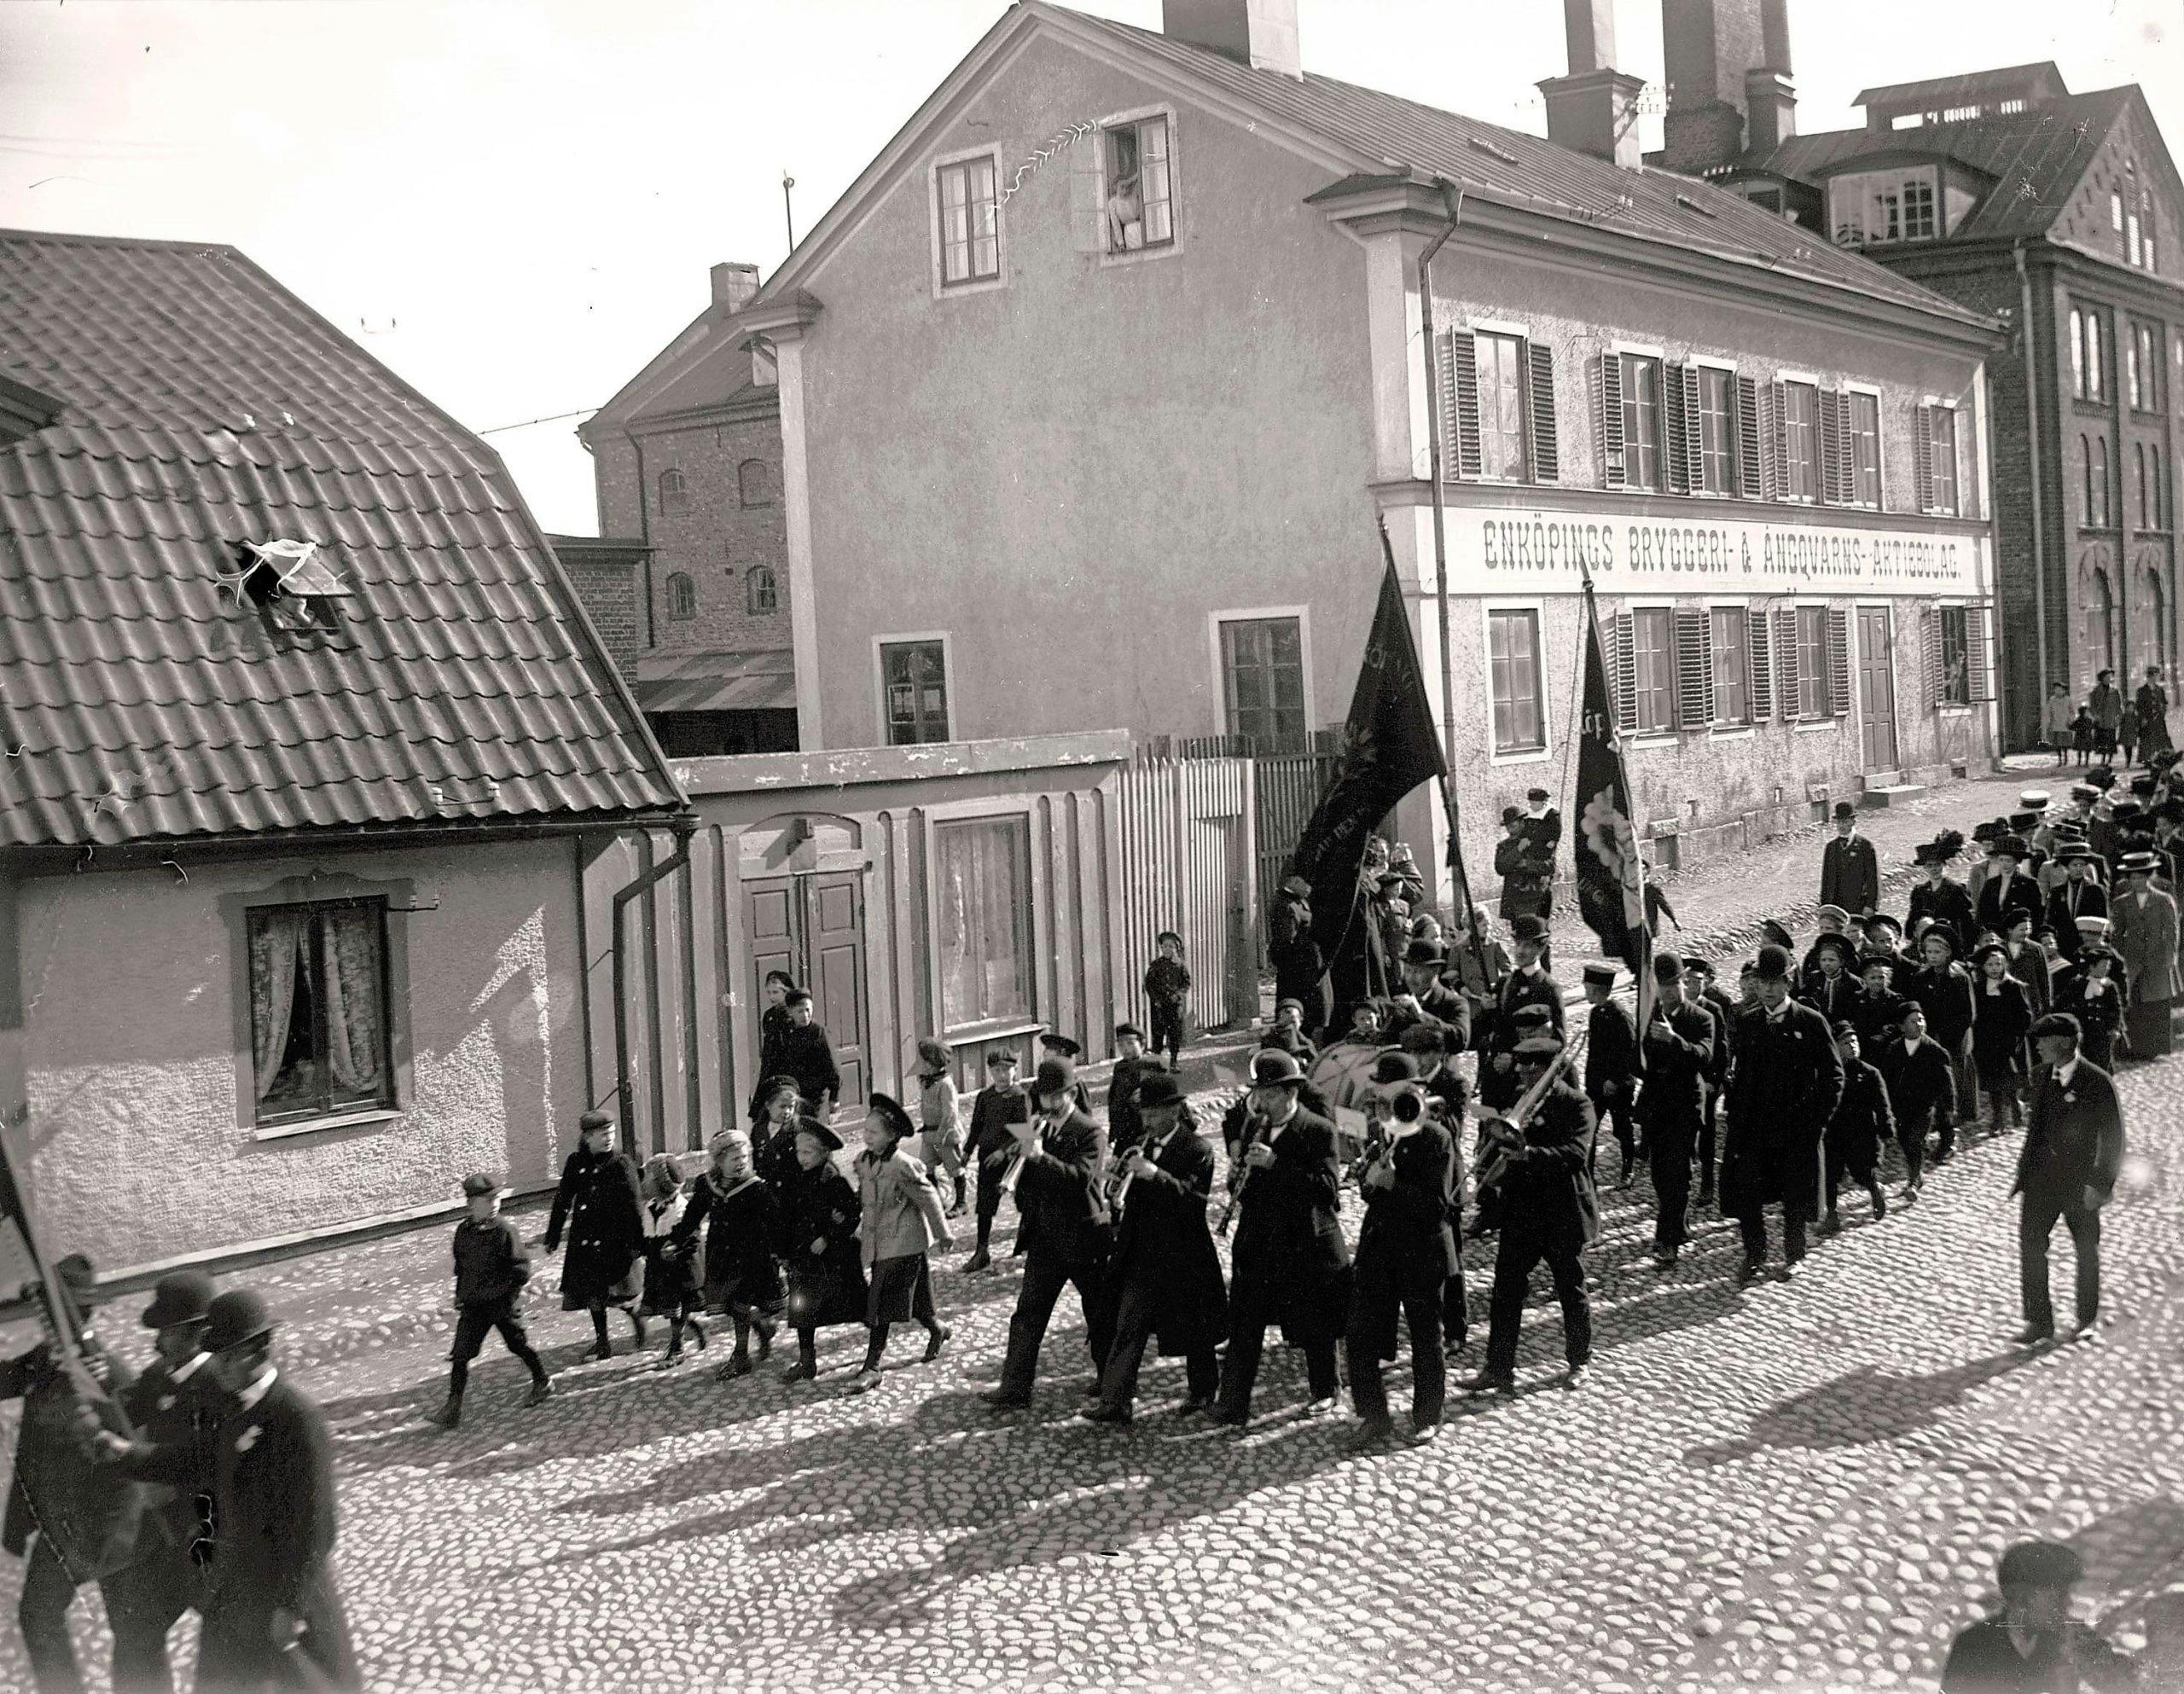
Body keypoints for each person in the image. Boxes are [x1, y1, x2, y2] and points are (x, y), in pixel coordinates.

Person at [106, 1289, 361, 1694]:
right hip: (235, 1585)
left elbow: (317, 1526)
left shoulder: (295, 1418)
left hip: (286, 1591)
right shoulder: (230, 1406)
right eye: (215, 1355)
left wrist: (290, 1607)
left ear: (259, 1352)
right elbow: (196, 1461)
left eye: (227, 1357)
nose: (219, 1368)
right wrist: (128, 1456)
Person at [2, 1254, 160, 1694]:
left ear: (78, 1315)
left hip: (111, 1528)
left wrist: (107, 1392)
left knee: (131, 1635)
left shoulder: (109, 1372)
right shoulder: (41, 1362)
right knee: (36, 1615)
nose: (43, 1322)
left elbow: (137, 1448)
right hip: (62, 1526)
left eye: (50, 1313)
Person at [1210, 1048, 1350, 1427]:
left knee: (1314, 1322)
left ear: (1291, 1094)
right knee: (1245, 1323)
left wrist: (1276, 1165)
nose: (1263, 1103)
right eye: (1260, 1095)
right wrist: (1238, 1176)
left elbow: (1327, 1191)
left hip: (1304, 1240)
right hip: (1259, 1240)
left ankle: (1326, 1390)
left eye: (1270, 1095)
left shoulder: (1319, 1129)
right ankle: (1233, 1402)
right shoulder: (1254, 1127)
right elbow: (1251, 1186)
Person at [1083, 1072, 1226, 1424]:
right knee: (1127, 1323)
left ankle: (1203, 1391)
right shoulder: (1141, 1143)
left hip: (1182, 1251)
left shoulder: (1198, 1149)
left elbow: (1193, 1202)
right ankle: (1116, 1401)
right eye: (1143, 1114)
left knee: (1195, 1326)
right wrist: (1114, 1180)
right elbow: (1125, 1198)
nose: (1146, 1121)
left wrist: (1154, 1174)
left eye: (1153, 1114)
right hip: (1141, 1251)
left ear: (1174, 1111)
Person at [1465, 1035, 1598, 1394]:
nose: (1522, 1071)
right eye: (1521, 1065)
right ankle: (1498, 1368)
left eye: (1531, 1066)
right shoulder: (1517, 1101)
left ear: (1552, 1070)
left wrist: (1529, 1154)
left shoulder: (1578, 1104)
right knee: (1505, 1290)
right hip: (1521, 1210)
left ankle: (1579, 1361)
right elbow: (1501, 1144)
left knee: (1570, 1288)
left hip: (1561, 1210)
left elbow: (1575, 1154)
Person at [113, 1272, 224, 1694]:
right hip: (167, 1536)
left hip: (209, 1537)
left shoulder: (217, 1382)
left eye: (164, 1331)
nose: (156, 1341)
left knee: (231, 1642)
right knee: (136, 1632)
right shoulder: (160, 1375)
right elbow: (121, 1408)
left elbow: (212, 1464)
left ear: (192, 1332)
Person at [985, 1059, 1115, 1411]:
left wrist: (1040, 1158)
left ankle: (1110, 1384)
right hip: (1045, 1237)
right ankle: (1014, 1388)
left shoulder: (1090, 1131)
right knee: (1028, 1313)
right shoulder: (1034, 1126)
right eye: (1043, 1095)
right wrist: (1020, 1165)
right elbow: (1028, 1181)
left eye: (1055, 1095)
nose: (1047, 1102)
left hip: (1083, 1236)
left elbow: (1081, 1179)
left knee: (1099, 1312)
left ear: (1071, 1094)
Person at [1344, 1056, 1457, 1449]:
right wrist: (1370, 1179)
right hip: (1380, 1248)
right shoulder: (1384, 1132)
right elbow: (1371, 1190)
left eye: (1387, 1093)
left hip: (1422, 1251)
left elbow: (1439, 1206)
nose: (1380, 1101)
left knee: (1426, 1336)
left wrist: (1391, 1184)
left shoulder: (1436, 1137)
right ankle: (1373, 1416)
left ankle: (1428, 1416)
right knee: (1360, 1335)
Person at [1722, 943, 1845, 1284]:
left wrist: (1817, 1120)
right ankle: (1755, 1254)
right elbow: (1740, 1073)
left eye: (1775, 982)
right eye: (1762, 982)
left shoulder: (1810, 1021)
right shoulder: (1748, 1023)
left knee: (1794, 1195)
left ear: (1789, 982)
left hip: (1796, 1128)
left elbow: (1834, 1075)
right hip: (1755, 1128)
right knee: (1748, 1192)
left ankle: (1794, 1253)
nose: (1768, 989)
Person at [2012, 1012, 2124, 1347]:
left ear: (2063, 1043)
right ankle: (2038, 1321)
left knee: (2086, 1250)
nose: (2038, 1048)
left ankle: (2086, 1319)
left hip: (2081, 1185)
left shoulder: (2097, 1081)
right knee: (2031, 1247)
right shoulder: (2042, 1075)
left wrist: (2101, 1185)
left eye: (2043, 1042)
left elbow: (2114, 1137)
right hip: (2041, 1182)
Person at [849, 1094, 954, 1395]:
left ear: (891, 1135)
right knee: (918, 1301)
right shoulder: (863, 1162)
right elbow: (865, 1201)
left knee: (879, 1304)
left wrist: (943, 1232)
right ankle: (938, 1329)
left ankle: (872, 1367)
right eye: (865, 1130)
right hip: (880, 1242)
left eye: (874, 1132)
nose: (867, 1136)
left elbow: (928, 1197)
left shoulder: (902, 1165)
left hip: (904, 1243)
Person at [433, 1174, 553, 1428]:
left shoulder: (505, 1231)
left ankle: (543, 1380)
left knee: (517, 1345)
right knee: (460, 1354)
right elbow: (462, 1268)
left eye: (497, 1197)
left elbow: (521, 1271)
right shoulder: (464, 1232)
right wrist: (460, 1295)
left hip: (501, 1305)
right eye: (488, 1199)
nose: (495, 1203)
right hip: (474, 1306)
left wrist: (507, 1297)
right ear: (472, 1204)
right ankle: (452, 1407)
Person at [1941, 1539, 2138, 1691]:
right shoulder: (1973, 1648)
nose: (2068, 1603)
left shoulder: (2074, 1637)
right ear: (2022, 1600)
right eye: (2057, 1597)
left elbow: (2126, 1681)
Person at [544, 1109, 647, 1361]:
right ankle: (603, 1342)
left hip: (615, 1241)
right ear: (588, 1137)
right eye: (602, 1134)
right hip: (586, 1241)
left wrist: (638, 1243)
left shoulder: (621, 1164)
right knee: (593, 1295)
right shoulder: (576, 1163)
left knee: (623, 1294)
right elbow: (562, 1200)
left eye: (611, 1133)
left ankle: (638, 1320)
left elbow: (636, 1206)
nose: (609, 1138)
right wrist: (553, 1235)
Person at [770, 1117, 867, 1384]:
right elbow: (786, 1217)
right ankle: (806, 1361)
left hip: (835, 1260)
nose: (802, 1158)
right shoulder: (796, 1180)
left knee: (855, 1302)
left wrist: (829, 1237)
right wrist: (783, 1252)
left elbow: (851, 1217)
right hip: (804, 1258)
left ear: (824, 1153)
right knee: (802, 1309)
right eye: (799, 1152)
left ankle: (876, 1343)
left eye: (808, 1152)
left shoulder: (835, 1182)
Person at [1640, 954, 1715, 1268]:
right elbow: (1638, 1060)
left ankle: (1666, 1240)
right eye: (1663, 986)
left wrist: (1674, 1041)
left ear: (1684, 982)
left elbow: (1704, 1056)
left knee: (1677, 1175)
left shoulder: (1700, 1017)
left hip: (1685, 1106)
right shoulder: (1647, 1016)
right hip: (1656, 1106)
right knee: (1661, 1175)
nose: (1670, 991)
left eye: (1674, 984)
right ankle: (1679, 1224)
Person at [694, 1128, 784, 1380]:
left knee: (741, 1304)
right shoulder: (708, 1185)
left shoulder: (756, 1188)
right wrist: (676, 1239)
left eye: (745, 1157)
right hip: (722, 1255)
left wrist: (780, 1250)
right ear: (719, 1162)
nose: (742, 1163)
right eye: (735, 1159)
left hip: (752, 1256)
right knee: (733, 1307)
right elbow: (693, 1215)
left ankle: (741, 1356)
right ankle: (761, 1326)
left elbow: (775, 1221)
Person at [1873, 1001, 1959, 1203]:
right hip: (1901, 1108)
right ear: (1902, 1026)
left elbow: (1947, 1083)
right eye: (1912, 1021)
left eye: (1921, 1020)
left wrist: (1949, 1109)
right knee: (1905, 1142)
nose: (1919, 1024)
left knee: (1915, 1141)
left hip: (1924, 1107)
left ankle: (1912, 1181)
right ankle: (1917, 1175)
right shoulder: (1894, 1049)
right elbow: (1886, 1078)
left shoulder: (1935, 1051)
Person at [1820, 1021, 1893, 1235]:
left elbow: (1882, 1104)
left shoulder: (1870, 1073)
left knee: (1863, 1173)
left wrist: (1886, 1129)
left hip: (1861, 1134)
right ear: (1835, 1046)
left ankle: (1875, 1189)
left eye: (1854, 1041)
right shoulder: (1828, 1072)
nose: (1852, 1045)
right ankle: (1832, 1217)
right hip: (1833, 1134)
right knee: (1829, 1177)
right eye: (1846, 1042)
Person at [636, 1154, 708, 1366]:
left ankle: (677, 1349)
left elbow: (693, 1241)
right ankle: (692, 1327)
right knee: (672, 1310)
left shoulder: (681, 1211)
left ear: (659, 1185)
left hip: (681, 1270)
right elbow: (648, 1238)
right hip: (660, 1269)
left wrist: (676, 1248)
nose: (643, 1182)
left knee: (676, 1309)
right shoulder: (651, 1208)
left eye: (648, 1178)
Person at [963, 1047, 1030, 1273]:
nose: (1002, 1075)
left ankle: (1024, 1247)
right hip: (987, 1159)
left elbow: (1024, 1133)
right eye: (997, 1070)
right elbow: (976, 1127)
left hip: (1011, 1160)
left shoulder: (1020, 1097)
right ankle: (982, 1251)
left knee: (1025, 1203)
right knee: (984, 1205)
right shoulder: (985, 1097)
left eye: (1007, 1070)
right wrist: (966, 1152)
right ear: (990, 1072)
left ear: (1015, 1070)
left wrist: (1003, 1151)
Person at [1908, 924, 1979, 1125]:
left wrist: (1949, 1034)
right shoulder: (1921, 977)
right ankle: (1934, 1117)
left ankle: (1953, 1117)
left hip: (1954, 1037)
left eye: (1937, 952)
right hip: (1929, 1034)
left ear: (1947, 953)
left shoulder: (1959, 978)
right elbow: (1916, 1005)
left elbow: (1968, 1013)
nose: (1933, 956)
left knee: (1954, 1076)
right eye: (1929, 952)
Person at [2111, 849, 2180, 1059]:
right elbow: (2117, 933)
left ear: (2149, 877)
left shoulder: (2163, 899)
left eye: (2141, 877)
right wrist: (2118, 957)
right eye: (2133, 877)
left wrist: (2170, 956)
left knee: (2156, 1004)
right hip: (2131, 959)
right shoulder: (2121, 902)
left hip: (2157, 958)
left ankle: (2154, 1047)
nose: (2137, 881)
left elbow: (2172, 928)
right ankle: (2133, 1047)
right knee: (2134, 1004)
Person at [1581, 962, 1640, 1186]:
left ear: (1597, 989)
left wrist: (1614, 1079)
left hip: (1618, 1087)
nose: (1585, 992)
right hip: (1597, 1086)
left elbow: (1629, 1052)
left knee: (1622, 1128)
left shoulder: (1621, 1016)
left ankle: (1628, 1171)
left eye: (1587, 988)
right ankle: (1588, 1173)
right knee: (1590, 1128)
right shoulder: (1596, 1013)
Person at [1971, 943, 2034, 1133]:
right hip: (1987, 1042)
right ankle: (1997, 1118)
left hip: (2009, 1041)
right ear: (1983, 967)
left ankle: (2015, 1106)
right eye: (1990, 965)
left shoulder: (2013, 987)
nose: (1994, 968)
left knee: (2010, 1078)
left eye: (1998, 964)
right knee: (1993, 1082)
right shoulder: (1979, 988)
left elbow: (2025, 1015)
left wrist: (2016, 1036)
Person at [1269, 874, 1328, 1037]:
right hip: (1296, 965)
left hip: (1305, 962)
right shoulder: (1287, 906)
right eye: (1305, 884)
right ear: (1294, 883)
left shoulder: (1298, 900)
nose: (1309, 888)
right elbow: (1287, 940)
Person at [914, 1038, 967, 1215]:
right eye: (924, 1062)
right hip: (929, 1133)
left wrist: (942, 1134)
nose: (925, 1066)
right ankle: (937, 1201)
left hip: (945, 1134)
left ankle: (961, 1203)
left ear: (938, 1064)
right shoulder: (926, 1081)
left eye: (928, 1063)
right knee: (925, 1166)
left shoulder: (945, 1085)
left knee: (954, 1168)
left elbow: (950, 1114)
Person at [2064, 933, 2129, 1071]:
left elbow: (2116, 1009)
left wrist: (2114, 1028)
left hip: (2102, 1034)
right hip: (2084, 1033)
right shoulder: (2078, 984)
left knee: (2103, 1063)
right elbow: (2067, 1004)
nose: (2107, 969)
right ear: (2092, 966)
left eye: (2108, 966)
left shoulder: (2109, 986)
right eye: (2103, 965)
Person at [775, 989, 841, 1119]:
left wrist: (835, 1097)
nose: (805, 1015)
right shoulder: (786, 1032)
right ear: (790, 1012)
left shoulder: (818, 1033)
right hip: (793, 1096)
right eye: (800, 1011)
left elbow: (833, 1067)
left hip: (816, 1098)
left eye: (808, 1010)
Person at [1908, 833, 1976, 955]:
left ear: (1944, 865)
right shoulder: (1919, 891)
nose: (1934, 869)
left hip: (1951, 941)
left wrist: (1967, 948)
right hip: (1927, 942)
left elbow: (1967, 922)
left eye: (1937, 865)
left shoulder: (1956, 889)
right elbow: (1913, 919)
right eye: (1930, 866)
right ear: (1925, 868)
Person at [1107, 1023, 1161, 1157]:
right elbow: (1114, 1099)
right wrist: (1113, 1132)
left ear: (1142, 1044)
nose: (1125, 1049)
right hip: (1124, 1131)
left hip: (1144, 1133)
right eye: (1121, 1045)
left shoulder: (1153, 1067)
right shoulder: (1120, 1068)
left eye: (1130, 1044)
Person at [749, 1074, 811, 1188]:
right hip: (766, 1189)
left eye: (791, 1107)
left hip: (790, 1189)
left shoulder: (798, 1131)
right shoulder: (759, 1129)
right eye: (782, 1107)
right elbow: (755, 1161)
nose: (787, 1111)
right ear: (768, 1105)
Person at [2048, 846, 2109, 962]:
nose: (2079, 869)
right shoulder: (2057, 892)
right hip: (2063, 948)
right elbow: (2051, 921)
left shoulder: (2096, 890)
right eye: (2075, 865)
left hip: (2088, 947)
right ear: (2066, 867)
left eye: (2082, 865)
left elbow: (2103, 920)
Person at [1820, 801, 1879, 916]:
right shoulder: (1831, 847)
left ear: (1853, 822)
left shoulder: (1865, 845)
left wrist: (1871, 905)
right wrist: (1824, 906)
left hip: (1859, 905)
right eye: (1839, 822)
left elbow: (1873, 878)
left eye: (1845, 822)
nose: (1841, 826)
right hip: (1836, 906)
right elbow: (1826, 879)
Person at [1143, 931, 1192, 1070]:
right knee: (1158, 1032)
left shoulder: (1180, 966)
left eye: (1171, 946)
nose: (1167, 949)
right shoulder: (1155, 965)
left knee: (1174, 1033)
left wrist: (1178, 995)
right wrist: (1156, 999)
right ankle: (1157, 1060)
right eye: (1164, 946)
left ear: (1176, 949)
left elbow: (1186, 983)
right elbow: (1149, 984)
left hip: (1174, 1005)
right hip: (1159, 1004)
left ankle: (1174, 1061)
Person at [1495, 806, 1549, 929]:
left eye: (1513, 822)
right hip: (1515, 901)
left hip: (1535, 898)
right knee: (1520, 938)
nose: (1510, 826)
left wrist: (1528, 864)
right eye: (1507, 823)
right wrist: (1518, 849)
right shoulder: (1504, 846)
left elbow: (1549, 866)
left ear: (1521, 822)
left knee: (1538, 936)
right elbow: (1500, 867)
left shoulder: (1537, 842)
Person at [1800, 931, 1865, 1026]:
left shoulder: (1853, 982)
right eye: (1824, 960)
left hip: (1845, 1025)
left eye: (1832, 960)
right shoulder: (1813, 978)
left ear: (1841, 962)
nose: (1827, 964)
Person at [1976, 836, 2036, 938]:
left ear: (2017, 861)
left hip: (2018, 935)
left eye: (2008, 861)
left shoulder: (2029, 884)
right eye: (2001, 860)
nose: (2004, 864)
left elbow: (2036, 914)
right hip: (1994, 936)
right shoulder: (1991, 884)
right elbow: (1981, 913)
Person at [758, 968, 797, 1082]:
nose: (772, 997)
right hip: (772, 1072)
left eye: (775, 992)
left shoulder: (794, 1015)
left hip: (790, 1074)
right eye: (769, 993)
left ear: (787, 991)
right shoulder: (769, 1016)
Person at [1259, 997, 1318, 1066]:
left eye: (1293, 1022)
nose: (1290, 1028)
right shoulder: (1268, 1039)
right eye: (1287, 1012)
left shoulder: (1306, 1044)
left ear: (1300, 1022)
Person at [2089, 667, 2123, 763]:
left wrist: (2118, 717)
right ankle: (2103, 759)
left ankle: (2110, 758)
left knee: (2111, 739)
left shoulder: (2114, 691)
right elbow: (2092, 705)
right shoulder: (2096, 691)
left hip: (2111, 719)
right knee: (2102, 740)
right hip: (2101, 720)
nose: (2109, 679)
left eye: (2110, 677)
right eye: (2107, 677)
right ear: (2102, 678)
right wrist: (2095, 715)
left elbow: (2119, 706)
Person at [2041, 681, 2074, 765]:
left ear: (2064, 691)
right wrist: (2048, 721)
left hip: (2065, 725)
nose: (2058, 692)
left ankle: (2065, 758)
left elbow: (2072, 711)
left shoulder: (2068, 700)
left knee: (2065, 744)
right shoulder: (2052, 700)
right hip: (2056, 724)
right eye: (2056, 690)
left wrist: (2070, 719)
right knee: (2058, 744)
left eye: (2060, 690)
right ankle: (2060, 759)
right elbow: (2048, 711)